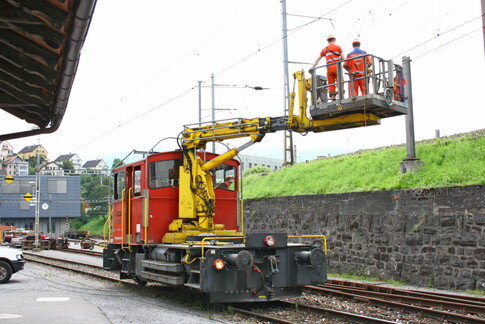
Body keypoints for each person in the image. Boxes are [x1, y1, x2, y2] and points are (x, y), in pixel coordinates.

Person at [312, 35, 344, 100]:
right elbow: (343, 58)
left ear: (328, 41)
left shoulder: (325, 49)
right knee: (340, 81)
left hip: (329, 68)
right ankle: (341, 96)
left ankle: (333, 97)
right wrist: (339, 58)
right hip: (337, 67)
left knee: (331, 83)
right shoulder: (338, 47)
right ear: (334, 40)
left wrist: (313, 66)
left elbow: (318, 59)